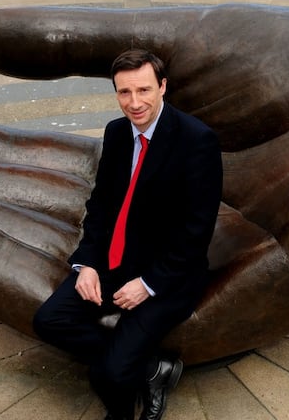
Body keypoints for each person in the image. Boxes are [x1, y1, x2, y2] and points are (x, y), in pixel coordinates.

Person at [32, 49, 224, 420]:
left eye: (143, 90)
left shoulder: (197, 141)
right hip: (113, 260)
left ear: (163, 87)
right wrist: (88, 263)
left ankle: (120, 386)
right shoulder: (117, 132)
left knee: (108, 375)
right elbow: (101, 205)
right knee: (48, 321)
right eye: (124, 92)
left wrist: (149, 284)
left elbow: (196, 231)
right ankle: (151, 368)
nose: (134, 103)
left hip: (167, 274)